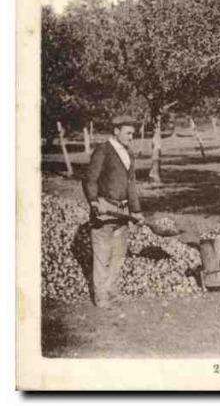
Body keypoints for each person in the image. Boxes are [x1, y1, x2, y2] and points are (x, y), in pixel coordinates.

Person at [82, 115, 143, 308]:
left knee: (118, 254)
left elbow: (131, 184)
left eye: (133, 133)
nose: (131, 137)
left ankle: (110, 289)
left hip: (123, 211)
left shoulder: (128, 153)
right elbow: (90, 179)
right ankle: (100, 296)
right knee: (102, 254)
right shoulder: (103, 151)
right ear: (116, 131)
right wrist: (93, 202)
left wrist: (136, 210)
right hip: (104, 209)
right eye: (128, 133)